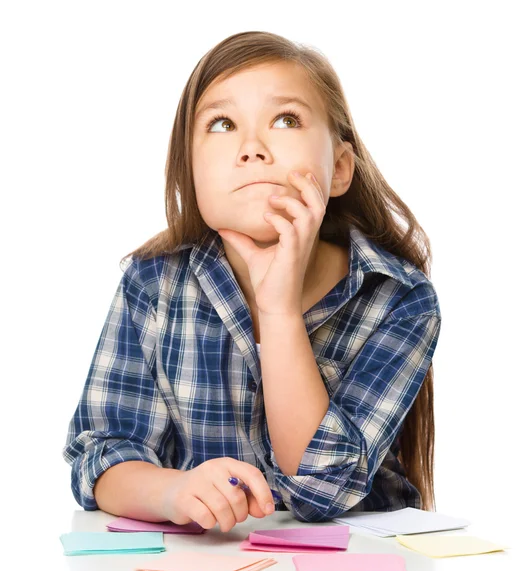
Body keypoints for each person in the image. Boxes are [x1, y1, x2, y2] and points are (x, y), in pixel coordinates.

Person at [62, 31, 442, 533]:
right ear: (190, 173)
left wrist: (279, 310)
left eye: (285, 120)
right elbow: (102, 457)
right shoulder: (152, 284)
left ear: (340, 169)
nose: (252, 149)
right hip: (202, 570)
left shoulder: (399, 298)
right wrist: (173, 491)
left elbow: (319, 488)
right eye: (222, 124)